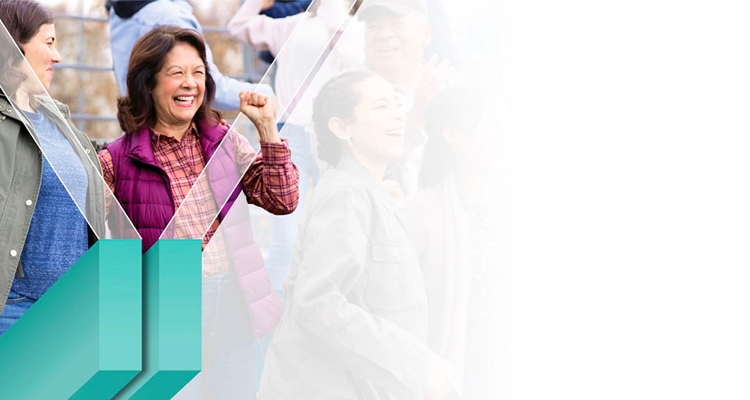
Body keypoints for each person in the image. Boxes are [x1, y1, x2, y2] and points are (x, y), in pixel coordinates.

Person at [97, 26, 299, 398]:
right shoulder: (114, 160)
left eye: (198, 73)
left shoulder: (224, 139)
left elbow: (282, 199)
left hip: (237, 302)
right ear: (148, 83)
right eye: (176, 73)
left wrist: (268, 127)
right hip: (170, 312)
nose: (190, 83)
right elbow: (89, 246)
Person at [257, 71, 454, 400]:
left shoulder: (367, 191)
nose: (398, 115)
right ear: (342, 128)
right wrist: (417, 365)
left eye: (397, 105)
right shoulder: (346, 196)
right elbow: (317, 302)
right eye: (381, 107)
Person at [228, 0, 364, 290]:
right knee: (285, 241)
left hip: (334, 138)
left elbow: (350, 52)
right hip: (291, 137)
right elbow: (238, 26)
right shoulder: (295, 24)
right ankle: (274, 327)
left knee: (337, 235)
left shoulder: (356, 27)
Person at [0, 0, 104, 335]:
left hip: (74, 310)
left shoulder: (58, 120)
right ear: (15, 46)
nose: (57, 56)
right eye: (49, 43)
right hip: (15, 311)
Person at [357, 0, 455, 196]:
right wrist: (417, 115)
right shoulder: (347, 97)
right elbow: (352, 175)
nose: (384, 34)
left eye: (397, 23)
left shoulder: (454, 89)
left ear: (426, 33)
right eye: (374, 25)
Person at [105, 0, 275, 110]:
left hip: (138, 134)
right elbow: (211, 89)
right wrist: (267, 93)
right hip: (171, 142)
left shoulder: (122, 11)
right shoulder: (171, 17)